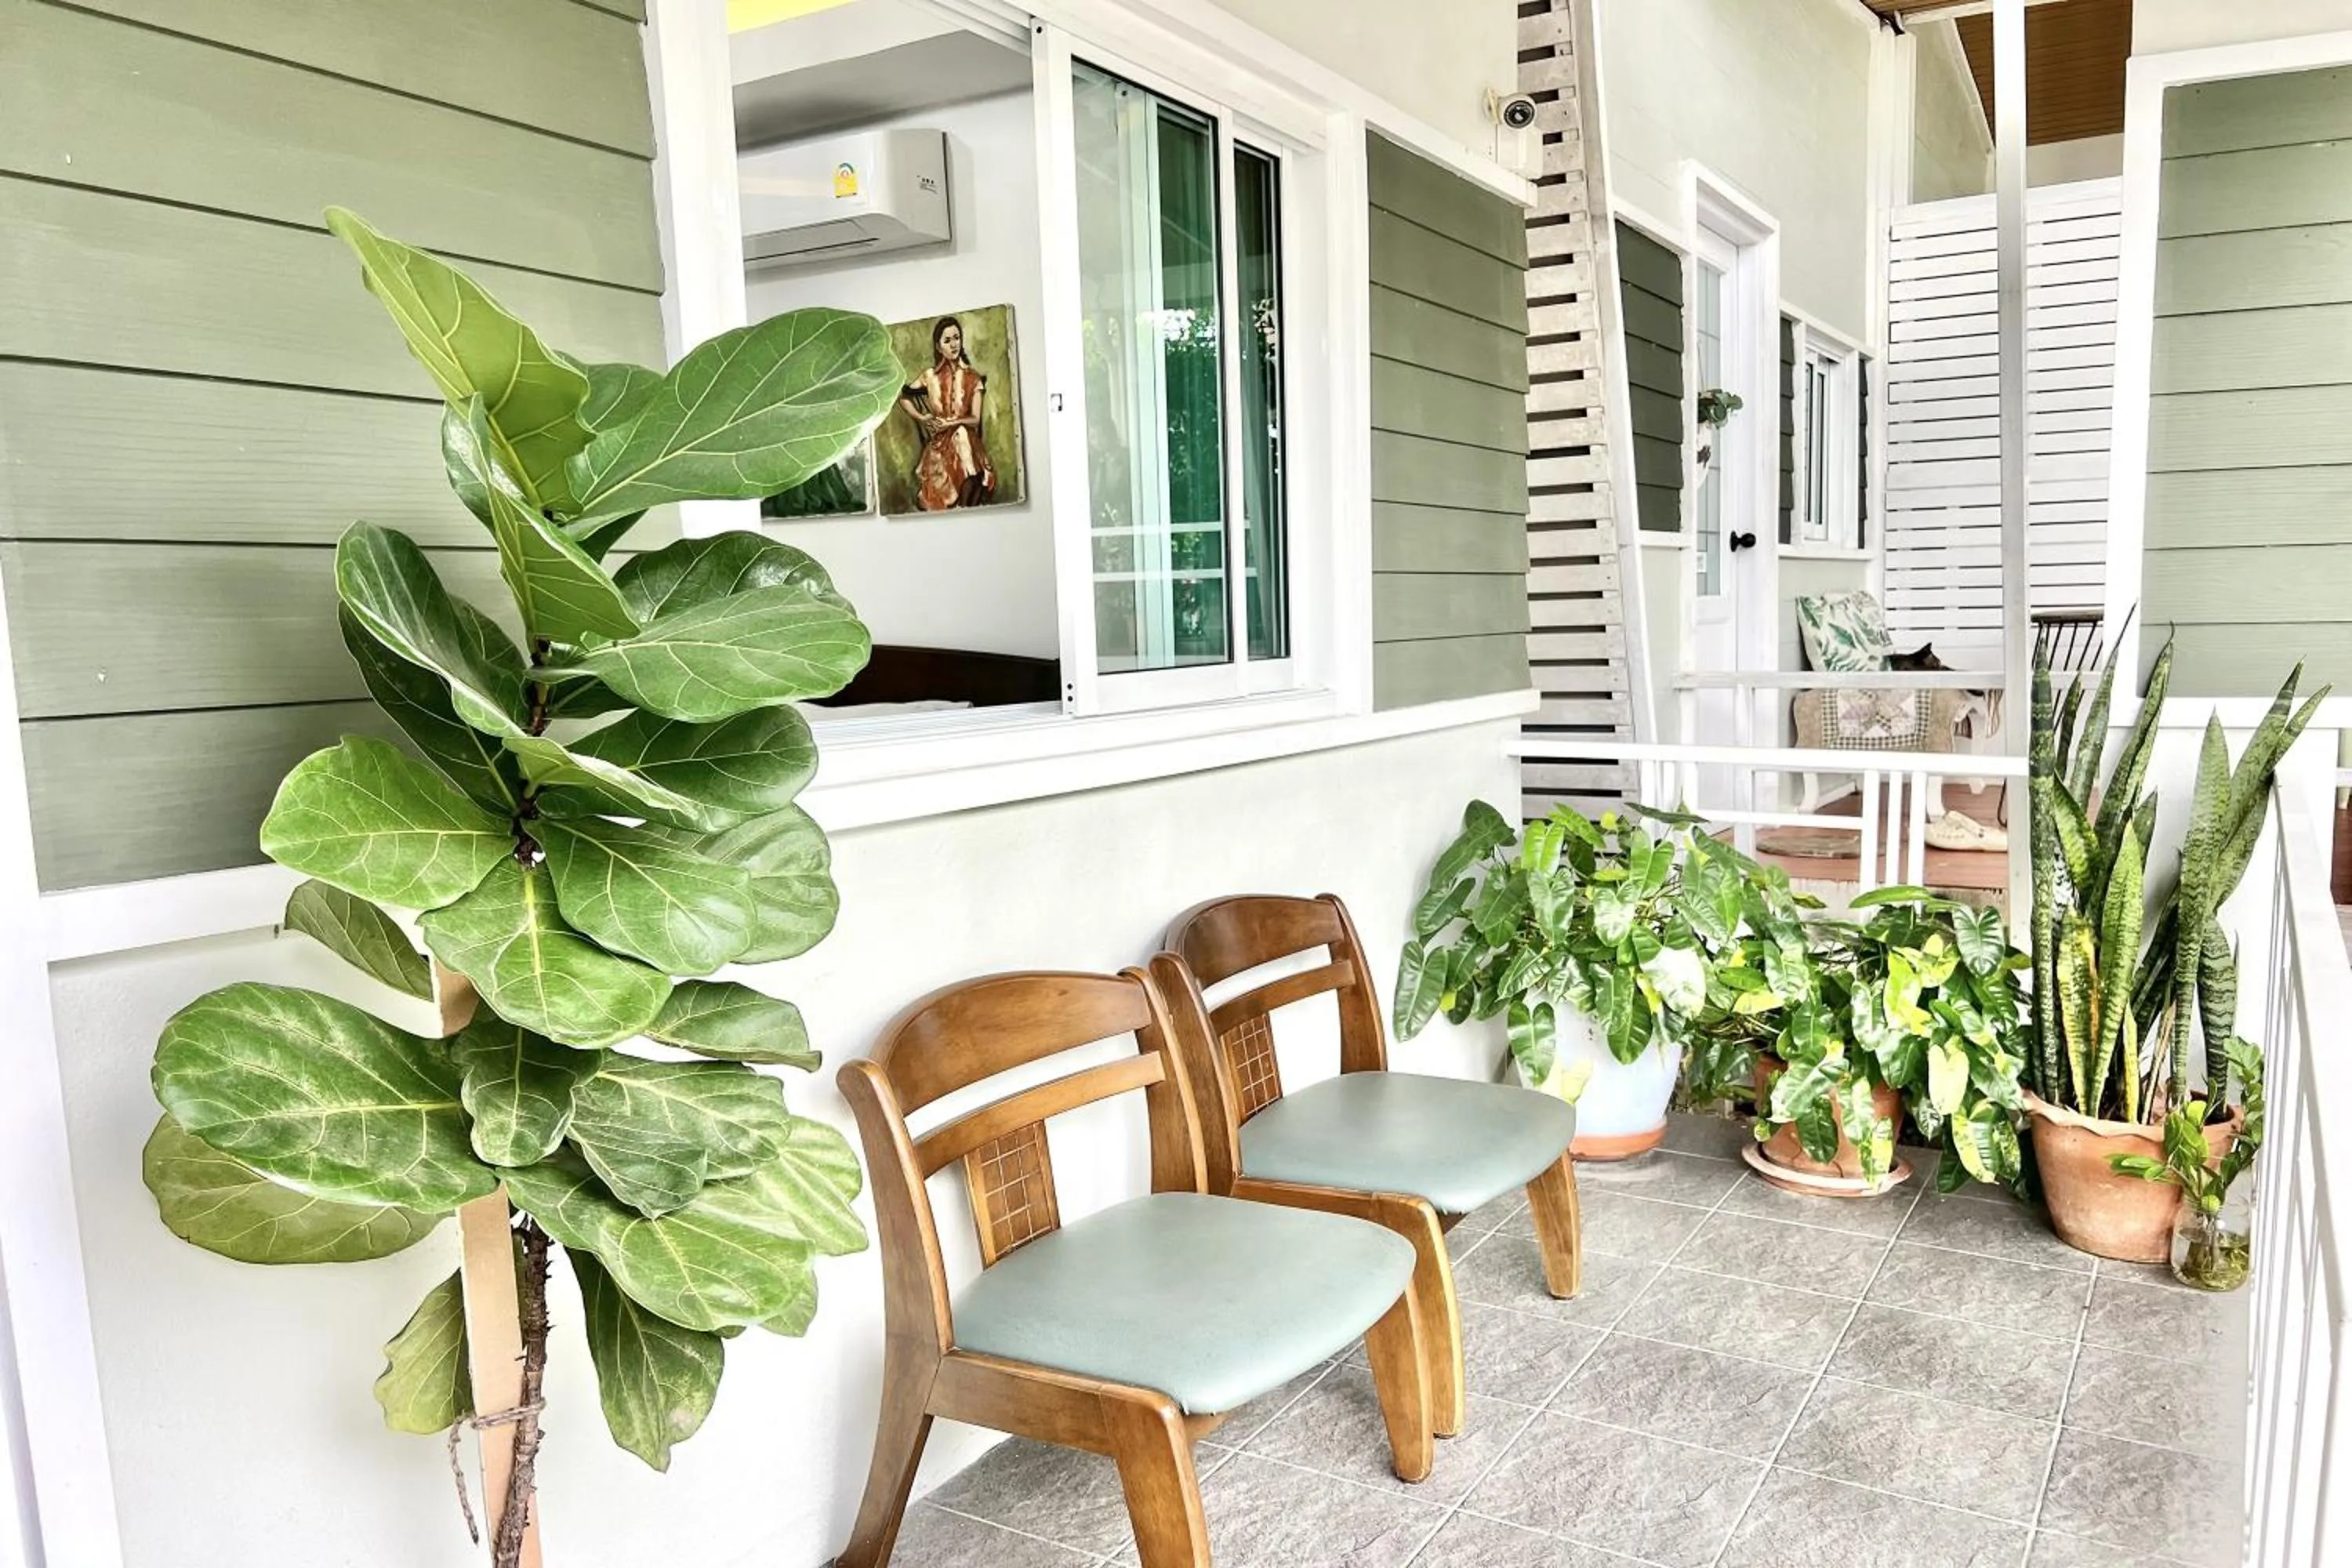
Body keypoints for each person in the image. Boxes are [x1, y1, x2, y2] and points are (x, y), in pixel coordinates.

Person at [899, 316, 996, 510]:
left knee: (961, 435)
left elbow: (975, 420)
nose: (954, 345)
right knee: (952, 444)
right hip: (939, 444)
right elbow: (904, 397)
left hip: (967, 441)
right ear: (938, 346)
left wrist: (949, 423)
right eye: (947, 340)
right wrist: (922, 417)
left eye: (957, 338)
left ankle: (964, 505)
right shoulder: (929, 376)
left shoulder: (973, 377)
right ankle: (957, 505)